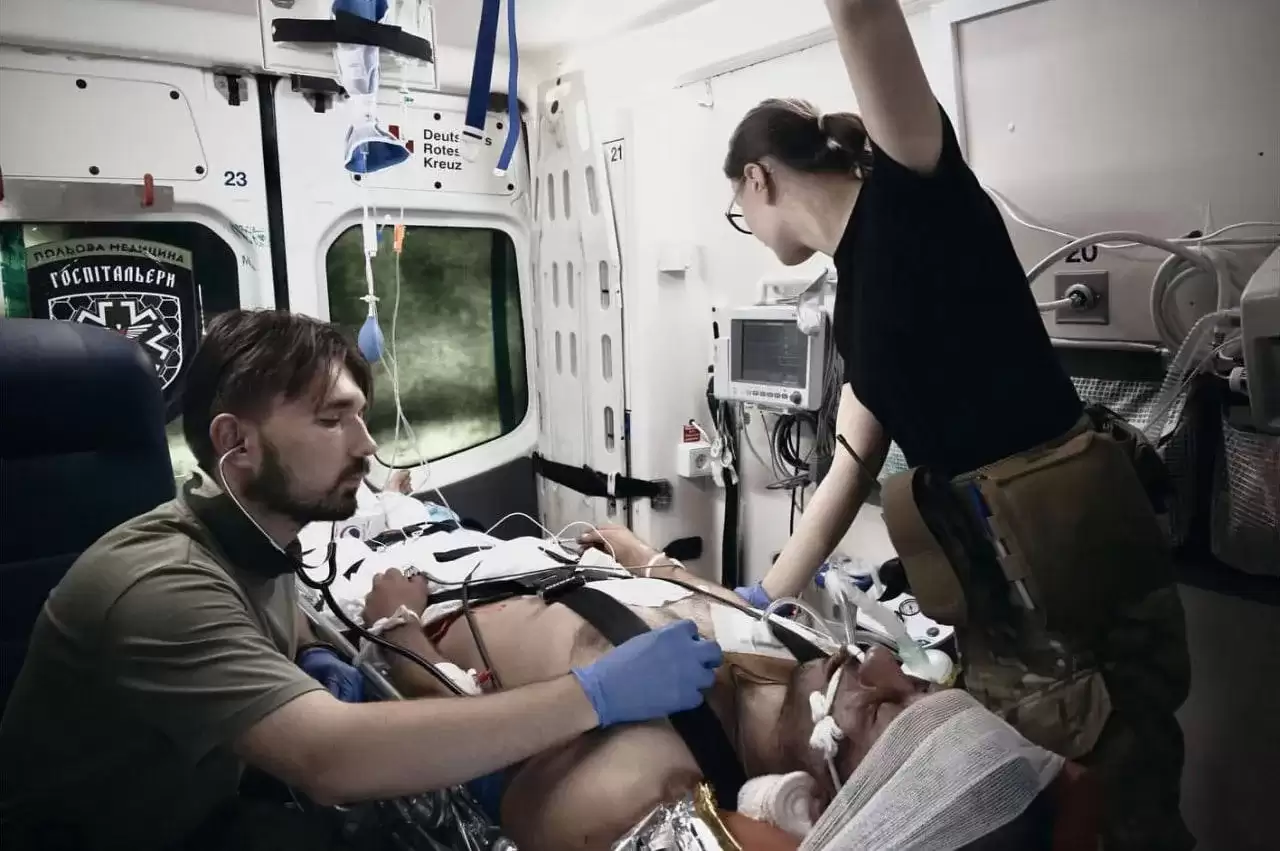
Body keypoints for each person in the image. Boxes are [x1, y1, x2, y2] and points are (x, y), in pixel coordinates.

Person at [720, 2, 1192, 849]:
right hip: (1001, 608)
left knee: (1124, 805)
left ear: (758, 179)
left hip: (1077, 572)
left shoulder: (914, 185)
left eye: (736, 211)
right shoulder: (853, 306)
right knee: (1037, 814)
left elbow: (865, 15)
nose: (747, 229)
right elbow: (851, 466)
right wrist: (765, 600)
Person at [0, 309, 723, 851]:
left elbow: (275, 617)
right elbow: (330, 758)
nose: (368, 445)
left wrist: (315, 647)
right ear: (234, 442)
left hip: (191, 804)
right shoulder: (160, 585)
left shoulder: (260, 539)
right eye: (332, 420)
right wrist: (594, 694)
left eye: (362, 417)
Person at [347, 523, 1100, 851]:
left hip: (414, 588)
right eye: (915, 684)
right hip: (542, 556)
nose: (875, 664)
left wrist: (399, 630)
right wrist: (646, 559)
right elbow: (721, 608)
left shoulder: (637, 782)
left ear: (836, 801)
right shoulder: (806, 661)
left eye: (883, 710)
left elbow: (465, 751)